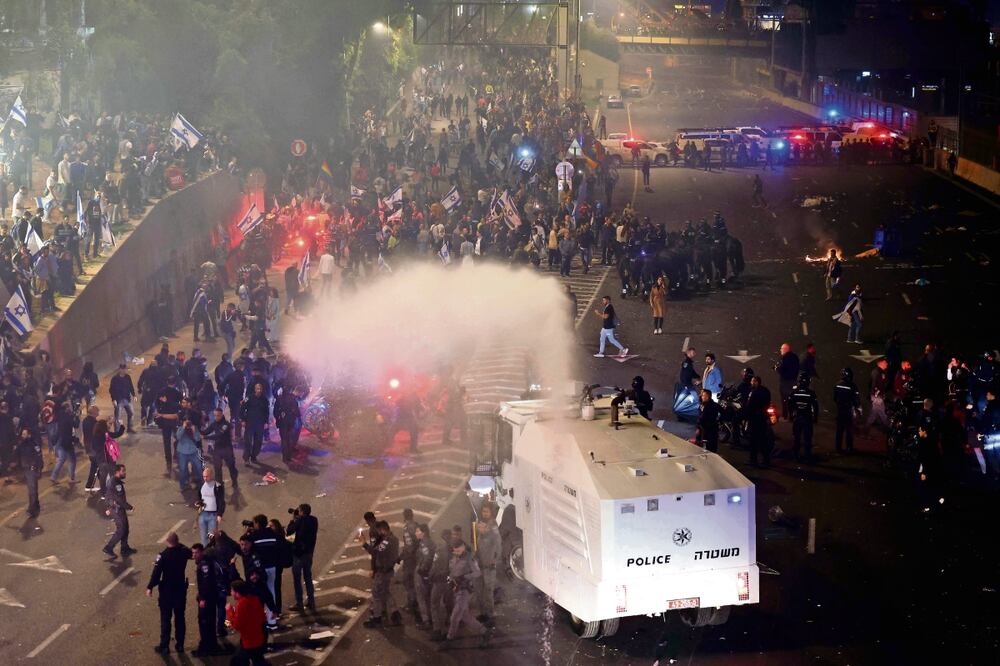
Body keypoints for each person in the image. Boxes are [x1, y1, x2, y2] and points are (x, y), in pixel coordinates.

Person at [146, 531, 192, 654]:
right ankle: (180, 644)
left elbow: (156, 573)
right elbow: (190, 552)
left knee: (166, 619)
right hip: (180, 590)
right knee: (180, 618)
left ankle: (164, 646)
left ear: (167, 542)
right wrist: (178, 543)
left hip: (167, 591)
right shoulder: (183, 552)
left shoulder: (163, 555)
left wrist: (150, 587)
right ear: (177, 541)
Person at [444, 539, 491, 647]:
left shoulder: (470, 558)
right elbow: (452, 570)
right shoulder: (453, 556)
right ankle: (485, 632)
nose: (456, 553)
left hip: (464, 590)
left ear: (463, 547)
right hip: (455, 589)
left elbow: (478, 573)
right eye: (454, 551)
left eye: (458, 551)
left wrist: (464, 577)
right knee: (465, 616)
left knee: (455, 616)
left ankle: (449, 639)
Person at [364, 520, 402, 627]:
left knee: (376, 594)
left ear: (382, 529)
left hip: (383, 571)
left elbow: (375, 552)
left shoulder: (387, 540)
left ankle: (377, 618)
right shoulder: (394, 539)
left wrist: (364, 543)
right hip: (389, 570)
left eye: (379, 531)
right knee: (385, 592)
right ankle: (395, 613)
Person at [191, 542, 225, 657]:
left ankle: (207, 647)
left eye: (196, 553)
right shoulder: (204, 562)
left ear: (201, 552)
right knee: (208, 622)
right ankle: (209, 645)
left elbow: (206, 583)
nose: (193, 555)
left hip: (208, 599)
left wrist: (202, 598)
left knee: (205, 622)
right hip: (210, 597)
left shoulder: (204, 564)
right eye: (193, 553)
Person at [226, 580, 268, 665]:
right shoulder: (255, 599)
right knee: (258, 660)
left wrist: (230, 611)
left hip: (250, 641)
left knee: (237, 662)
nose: (231, 592)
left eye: (232, 590)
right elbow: (262, 618)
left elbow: (237, 625)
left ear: (237, 592)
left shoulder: (241, 604)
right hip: (261, 637)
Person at [287, 503, 319, 611]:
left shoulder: (300, 520)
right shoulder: (314, 520)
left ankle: (299, 603)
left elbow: (290, 531)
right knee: (308, 577)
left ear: (301, 512)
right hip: (309, 553)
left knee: (297, 579)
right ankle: (311, 601)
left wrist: (293, 520)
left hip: (299, 554)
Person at [103, 463, 137, 558]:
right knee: (121, 529)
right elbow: (119, 499)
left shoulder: (114, 481)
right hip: (116, 509)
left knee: (125, 528)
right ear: (118, 472)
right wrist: (129, 507)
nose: (125, 473)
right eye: (123, 471)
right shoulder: (116, 483)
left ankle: (124, 548)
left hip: (117, 508)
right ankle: (109, 547)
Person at [201, 408, 239, 486]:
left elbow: (218, 436)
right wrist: (199, 429)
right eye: (215, 415)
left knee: (231, 466)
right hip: (218, 448)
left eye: (218, 415)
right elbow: (206, 431)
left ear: (222, 415)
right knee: (217, 468)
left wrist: (206, 437)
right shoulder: (214, 423)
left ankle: (234, 480)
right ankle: (219, 484)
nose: (216, 417)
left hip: (227, 448)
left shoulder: (226, 425)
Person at [428, 528, 453, 641]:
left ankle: (438, 630)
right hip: (449, 579)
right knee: (448, 602)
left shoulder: (440, 548)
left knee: (434, 604)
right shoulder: (452, 547)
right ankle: (449, 623)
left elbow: (435, 564)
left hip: (439, 579)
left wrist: (430, 575)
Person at [475, 518, 501, 625]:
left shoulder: (492, 537)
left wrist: (494, 561)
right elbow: (479, 551)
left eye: (482, 527)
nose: (479, 529)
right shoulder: (480, 537)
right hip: (481, 567)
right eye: (479, 527)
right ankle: (483, 613)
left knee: (488, 592)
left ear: (487, 527)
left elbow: (498, 550)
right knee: (480, 591)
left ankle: (490, 615)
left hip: (489, 568)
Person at [155, 377, 183, 477]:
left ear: (167, 382)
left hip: (165, 421)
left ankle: (169, 465)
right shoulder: (178, 393)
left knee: (166, 443)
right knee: (179, 438)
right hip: (175, 420)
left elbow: (157, 405)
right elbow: (181, 405)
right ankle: (178, 457)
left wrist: (164, 404)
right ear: (175, 383)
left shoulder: (161, 392)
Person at [789, 374, 820, 462]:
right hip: (807, 418)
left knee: (797, 437)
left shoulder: (794, 392)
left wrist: (791, 416)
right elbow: (815, 406)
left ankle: (796, 455)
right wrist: (815, 418)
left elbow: (790, 405)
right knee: (807, 438)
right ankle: (807, 455)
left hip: (797, 418)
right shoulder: (811, 393)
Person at [16, 427, 43, 518]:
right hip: (26, 469)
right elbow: (17, 456)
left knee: (32, 490)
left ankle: (31, 509)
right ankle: (36, 505)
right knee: (33, 488)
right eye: (22, 434)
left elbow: (39, 456)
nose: (22, 436)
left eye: (24, 434)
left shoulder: (34, 444)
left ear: (29, 434)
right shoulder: (21, 444)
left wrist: (39, 469)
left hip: (32, 468)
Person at [196, 467, 226, 546]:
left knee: (212, 536)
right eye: (204, 476)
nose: (205, 478)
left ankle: (213, 551)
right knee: (203, 536)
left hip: (213, 514)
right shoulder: (201, 486)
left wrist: (219, 514)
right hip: (203, 514)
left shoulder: (217, 486)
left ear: (211, 476)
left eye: (207, 476)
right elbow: (200, 498)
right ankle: (206, 552)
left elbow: (221, 501)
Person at [833, 368, 861, 453]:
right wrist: (857, 408)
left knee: (839, 430)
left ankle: (838, 448)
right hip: (849, 410)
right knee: (849, 430)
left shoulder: (837, 385)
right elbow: (856, 399)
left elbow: (834, 397)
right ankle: (849, 447)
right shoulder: (853, 386)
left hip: (840, 409)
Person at [746, 375, 772, 466]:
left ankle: (753, 460)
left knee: (754, 441)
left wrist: (747, 416)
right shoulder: (765, 391)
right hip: (762, 418)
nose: (751, 383)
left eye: (752, 381)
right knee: (762, 440)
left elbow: (750, 405)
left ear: (756, 382)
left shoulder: (755, 392)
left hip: (755, 419)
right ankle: (765, 460)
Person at [414, 523, 436, 628]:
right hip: (430, 573)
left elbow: (427, 558)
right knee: (428, 596)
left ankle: (426, 620)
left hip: (423, 573)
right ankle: (432, 617)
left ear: (424, 533)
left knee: (422, 596)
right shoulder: (430, 542)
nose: (416, 533)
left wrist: (422, 571)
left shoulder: (424, 544)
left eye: (418, 531)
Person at [241, 382, 270, 464]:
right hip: (250, 423)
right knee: (248, 442)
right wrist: (243, 420)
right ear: (255, 389)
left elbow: (266, 412)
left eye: (260, 389)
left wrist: (266, 422)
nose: (259, 390)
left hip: (260, 424)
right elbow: (242, 408)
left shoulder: (264, 399)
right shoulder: (249, 398)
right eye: (257, 388)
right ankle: (246, 459)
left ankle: (254, 456)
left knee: (258, 442)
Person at [175, 414, 204, 493]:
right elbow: (178, 437)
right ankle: (184, 484)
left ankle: (199, 483)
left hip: (193, 451)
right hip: (182, 452)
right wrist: (184, 428)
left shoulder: (194, 428)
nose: (188, 424)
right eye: (186, 422)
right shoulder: (181, 428)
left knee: (198, 468)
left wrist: (194, 431)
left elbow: (197, 439)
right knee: (183, 469)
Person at [274, 385, 302, 463]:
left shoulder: (279, 399)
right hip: (290, 421)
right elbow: (297, 412)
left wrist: (278, 419)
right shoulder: (293, 399)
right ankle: (288, 456)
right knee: (289, 439)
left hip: (282, 421)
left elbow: (275, 411)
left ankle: (284, 457)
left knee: (284, 439)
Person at [775, 343, 800, 420]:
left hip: (785, 382)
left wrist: (777, 368)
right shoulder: (795, 357)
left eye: (781, 349)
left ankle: (786, 416)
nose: (780, 350)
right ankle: (793, 415)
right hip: (793, 381)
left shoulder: (784, 358)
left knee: (784, 399)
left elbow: (782, 370)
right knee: (793, 398)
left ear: (785, 349)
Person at [109, 364, 137, 433]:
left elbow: (131, 386)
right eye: (123, 369)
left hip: (127, 399)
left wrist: (134, 395)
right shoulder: (115, 379)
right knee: (118, 416)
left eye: (125, 369)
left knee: (131, 413)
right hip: (119, 400)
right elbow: (111, 390)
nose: (124, 370)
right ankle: (117, 431)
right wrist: (113, 399)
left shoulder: (128, 377)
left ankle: (130, 428)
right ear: (119, 369)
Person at [867, 358, 891, 432]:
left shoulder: (881, 372)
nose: (886, 364)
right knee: (882, 412)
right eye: (885, 363)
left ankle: (866, 427)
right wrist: (877, 394)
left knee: (874, 413)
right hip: (877, 396)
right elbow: (874, 384)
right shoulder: (876, 372)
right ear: (880, 364)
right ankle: (888, 426)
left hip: (878, 396)